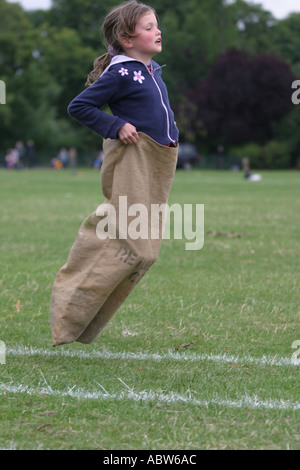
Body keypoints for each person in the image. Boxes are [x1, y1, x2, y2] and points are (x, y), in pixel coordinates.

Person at [50, 0, 179, 346]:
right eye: (149, 27)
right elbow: (79, 106)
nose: (157, 31)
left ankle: (80, 323)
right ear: (126, 37)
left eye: (157, 25)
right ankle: (70, 297)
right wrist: (116, 124)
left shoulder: (152, 70)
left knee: (145, 251)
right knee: (130, 241)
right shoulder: (123, 71)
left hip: (158, 163)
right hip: (134, 161)